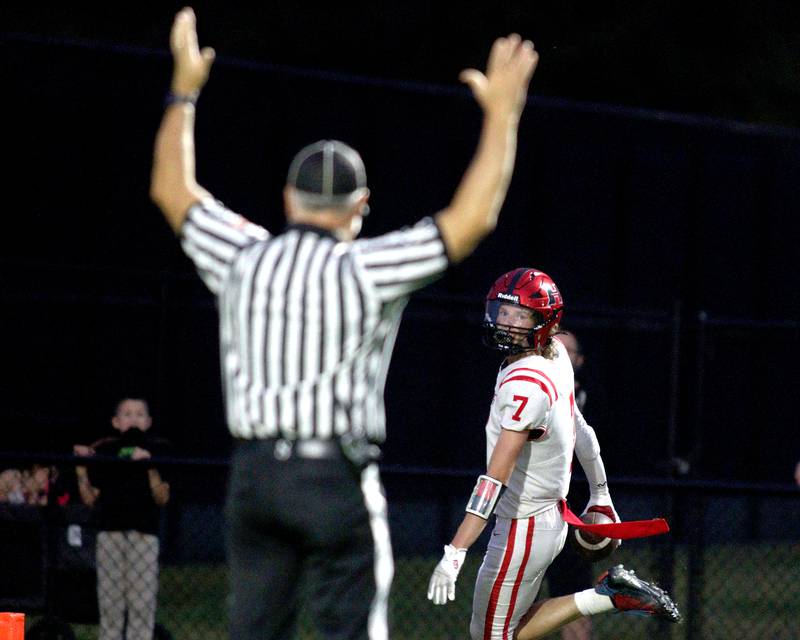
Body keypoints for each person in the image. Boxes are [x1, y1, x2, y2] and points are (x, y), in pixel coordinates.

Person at [150, 7, 538, 640]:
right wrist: (503, 115)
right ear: (359, 207)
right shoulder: (364, 268)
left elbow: (173, 190)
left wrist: (184, 89)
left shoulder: (245, 259)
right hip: (334, 478)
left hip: (254, 477)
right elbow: (470, 220)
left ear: (287, 199)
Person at [426, 268, 681, 639]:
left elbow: (494, 480)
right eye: (503, 311)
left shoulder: (525, 387)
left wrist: (456, 551)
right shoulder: (557, 353)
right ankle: (610, 595)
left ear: (543, 323)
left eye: (520, 315)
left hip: (524, 526)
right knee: (498, 633)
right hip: (546, 517)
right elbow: (583, 430)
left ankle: (609, 596)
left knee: (490, 636)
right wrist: (600, 493)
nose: (506, 322)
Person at [73, 397, 171, 640]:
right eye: (127, 414)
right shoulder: (106, 450)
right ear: (116, 422)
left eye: (139, 414)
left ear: (148, 422)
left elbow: (162, 497)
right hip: (110, 535)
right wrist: (82, 469)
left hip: (143, 535)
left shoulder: (158, 448)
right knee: (110, 605)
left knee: (141, 605)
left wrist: (150, 465)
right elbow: (90, 498)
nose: (133, 418)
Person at [541, 328, 593, 640]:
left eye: (566, 350)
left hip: (573, 517)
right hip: (530, 511)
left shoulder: (592, 405)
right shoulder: (528, 395)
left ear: (579, 360)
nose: (558, 354)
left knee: (573, 596)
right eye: (553, 348)